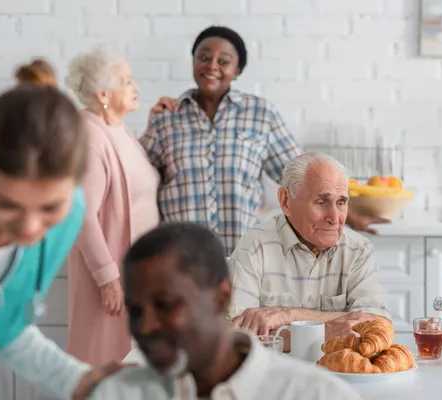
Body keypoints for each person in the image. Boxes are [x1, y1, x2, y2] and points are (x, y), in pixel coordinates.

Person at [0, 86, 123, 400]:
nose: (29, 228)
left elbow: (6, 326)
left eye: (50, 208)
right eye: (7, 205)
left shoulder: (72, 213)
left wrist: (83, 382)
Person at [145, 27, 388, 255]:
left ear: (237, 70)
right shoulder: (167, 117)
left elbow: (304, 173)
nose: (212, 66)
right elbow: (135, 178)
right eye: (204, 57)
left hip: (242, 256)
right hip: (180, 255)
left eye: (224, 61)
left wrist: (349, 212)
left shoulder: (260, 114)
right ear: (193, 60)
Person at [90, 222, 363, 399]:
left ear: (222, 298)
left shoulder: (316, 395)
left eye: (166, 304)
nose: (146, 326)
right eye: (136, 310)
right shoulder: (118, 393)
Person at [64, 44, 160, 366]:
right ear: (104, 93)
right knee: (106, 368)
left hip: (134, 275)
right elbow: (80, 214)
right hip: (111, 281)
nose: (136, 87)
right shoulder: (90, 136)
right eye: (127, 81)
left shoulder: (117, 130)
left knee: (130, 369)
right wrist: (108, 279)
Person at [228, 152, 390, 340]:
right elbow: (236, 337)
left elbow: (378, 328)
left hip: (339, 370)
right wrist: (330, 329)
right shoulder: (255, 247)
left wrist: (288, 315)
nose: (335, 218)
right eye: (321, 202)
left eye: (341, 203)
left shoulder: (359, 251)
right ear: (285, 201)